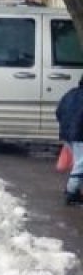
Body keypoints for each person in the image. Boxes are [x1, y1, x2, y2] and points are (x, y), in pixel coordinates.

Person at [56, 75, 83, 205]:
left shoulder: (70, 93)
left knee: (77, 163)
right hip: (80, 135)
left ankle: (74, 190)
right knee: (81, 164)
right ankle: (72, 193)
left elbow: (58, 111)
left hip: (67, 133)